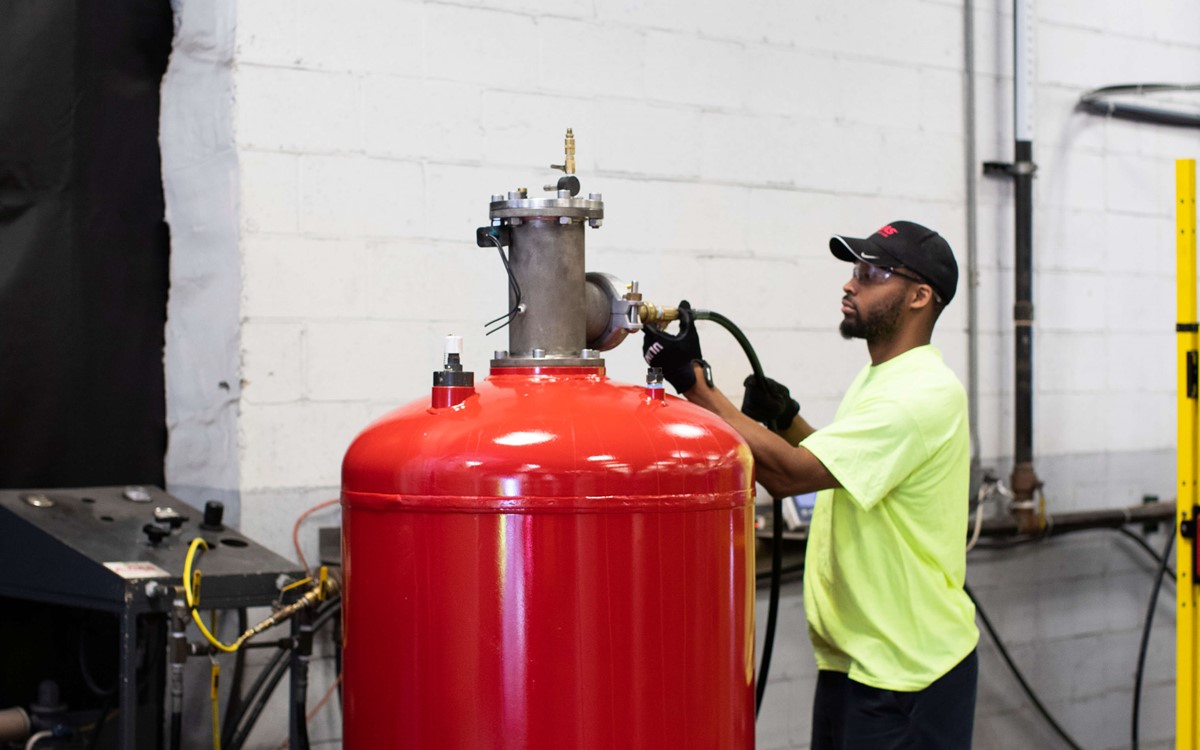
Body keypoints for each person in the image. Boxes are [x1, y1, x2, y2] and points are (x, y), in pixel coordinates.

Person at [643, 221, 979, 749]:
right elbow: (841, 467)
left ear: (920, 296)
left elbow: (789, 475)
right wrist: (788, 420)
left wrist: (696, 386)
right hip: (859, 660)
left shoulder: (921, 393)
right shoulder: (884, 377)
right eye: (854, 271)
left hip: (907, 672)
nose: (851, 284)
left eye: (872, 273)